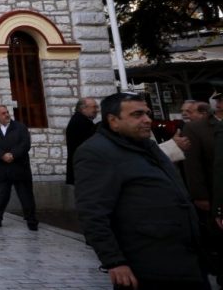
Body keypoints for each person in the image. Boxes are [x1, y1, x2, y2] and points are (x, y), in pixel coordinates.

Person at [75, 92, 207, 289]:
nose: (147, 120)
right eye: (137, 115)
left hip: (184, 259)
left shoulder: (148, 145)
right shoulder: (96, 152)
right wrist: (114, 261)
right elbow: (93, 212)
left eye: (147, 113)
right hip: (147, 265)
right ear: (113, 121)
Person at [180, 100, 221, 280]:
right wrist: (200, 195)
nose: (184, 114)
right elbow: (193, 165)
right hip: (214, 194)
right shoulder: (195, 129)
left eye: (188, 111)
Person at [0, 105, 38, 230]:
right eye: (3, 113)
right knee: (0, 196)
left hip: (19, 167)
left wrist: (13, 154)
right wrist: (2, 155)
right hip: (2, 168)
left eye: (7, 112)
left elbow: (25, 144)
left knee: (26, 195)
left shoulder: (20, 127)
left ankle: (32, 221)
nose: (6, 115)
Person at [65, 97, 99, 185]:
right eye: (94, 107)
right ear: (83, 108)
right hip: (84, 170)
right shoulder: (81, 123)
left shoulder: (81, 120)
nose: (97, 110)